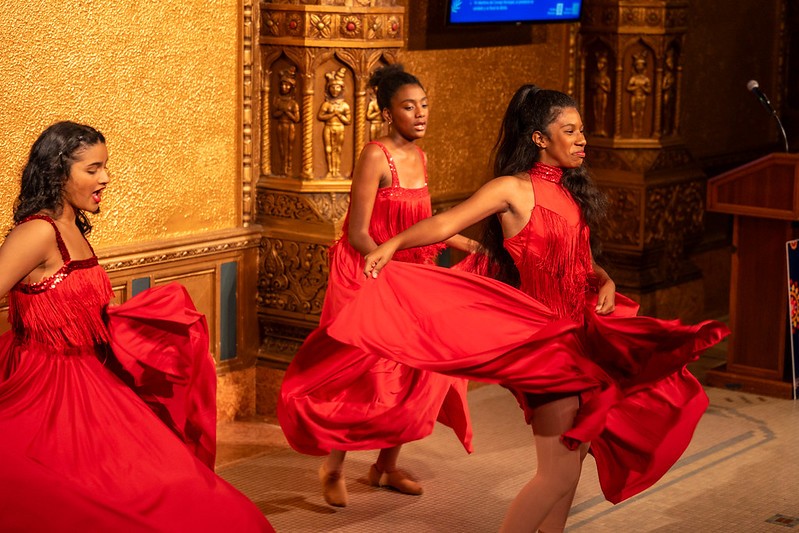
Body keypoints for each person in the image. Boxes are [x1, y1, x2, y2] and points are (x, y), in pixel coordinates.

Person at [326, 85, 729, 532]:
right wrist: (394, 244)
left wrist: (605, 278)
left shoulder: (573, 192)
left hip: (581, 335)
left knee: (569, 471)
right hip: (544, 347)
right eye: (570, 131)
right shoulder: (512, 190)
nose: (581, 140)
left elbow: (577, 256)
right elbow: (446, 222)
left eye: (582, 131)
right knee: (556, 473)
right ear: (539, 138)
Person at [0, 121, 273, 532]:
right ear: (58, 172)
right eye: (92, 169)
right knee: (85, 495)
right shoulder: (38, 231)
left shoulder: (72, 226)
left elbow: (79, 307)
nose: (105, 178)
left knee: (172, 480)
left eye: (105, 167)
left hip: (91, 378)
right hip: (43, 388)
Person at [278, 64, 476, 508]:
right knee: (364, 375)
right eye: (409, 107)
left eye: (424, 105)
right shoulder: (375, 155)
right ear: (388, 114)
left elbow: (422, 223)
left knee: (418, 370)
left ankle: (385, 467)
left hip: (412, 273)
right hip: (367, 273)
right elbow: (359, 233)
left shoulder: (421, 156)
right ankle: (333, 465)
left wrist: (463, 241)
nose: (421, 114)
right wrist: (389, 269)